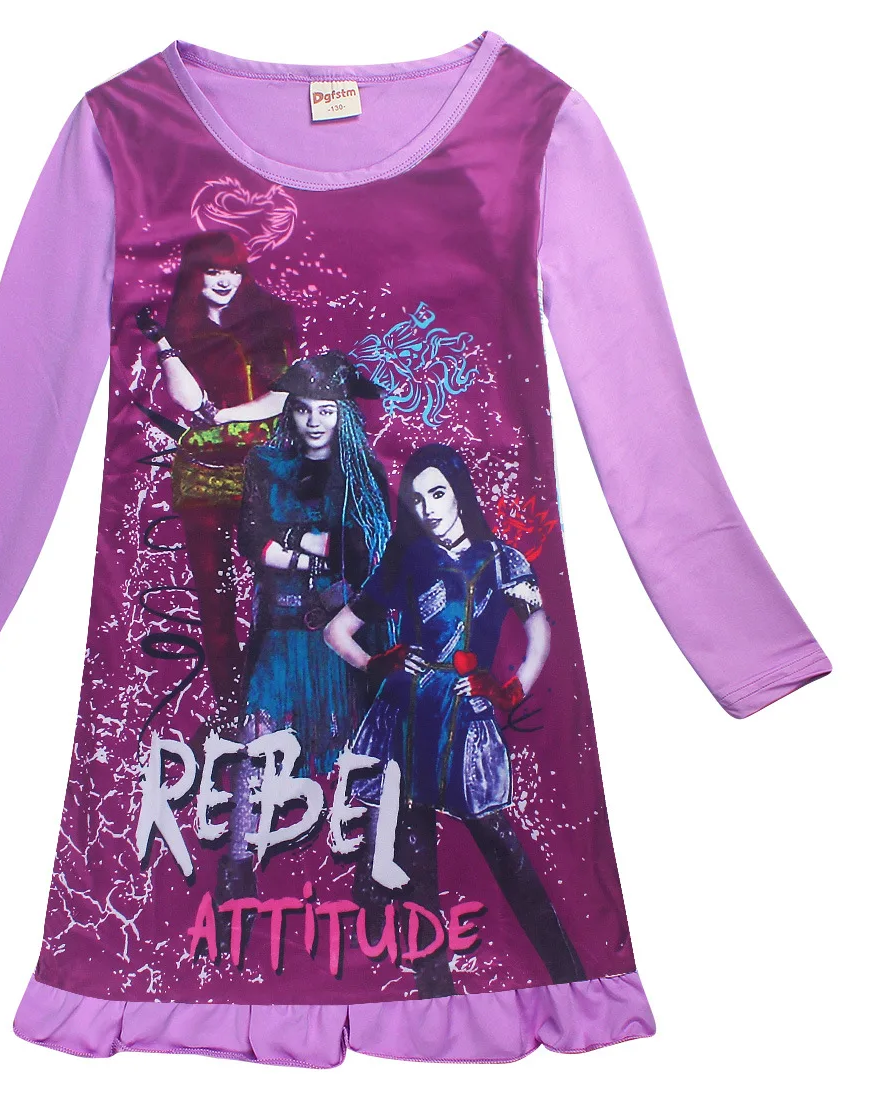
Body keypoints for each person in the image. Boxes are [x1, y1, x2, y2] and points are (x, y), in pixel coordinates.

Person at [323, 442, 586, 997]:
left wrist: (509, 689)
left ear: (459, 494)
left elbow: (540, 631)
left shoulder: (502, 561)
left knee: (502, 847)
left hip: (465, 715)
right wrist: (376, 662)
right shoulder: (407, 560)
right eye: (416, 500)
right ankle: (433, 995)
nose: (428, 509)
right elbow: (336, 631)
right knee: (416, 862)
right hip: (406, 716)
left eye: (437, 493)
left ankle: (571, 979)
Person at [215, 350, 392, 907]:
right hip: (281, 626)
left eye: (327, 410)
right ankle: (236, 868)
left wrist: (293, 543)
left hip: (344, 630)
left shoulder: (364, 473)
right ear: (289, 411)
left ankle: (373, 867)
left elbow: (364, 554)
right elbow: (252, 540)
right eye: (304, 409)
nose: (315, 421)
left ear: (343, 414)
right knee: (255, 739)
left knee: (366, 746)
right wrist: (307, 546)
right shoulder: (265, 464)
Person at [135, 231, 300, 728]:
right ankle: (230, 709)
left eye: (232, 270)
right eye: (213, 270)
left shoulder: (271, 320)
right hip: (202, 475)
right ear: (195, 275)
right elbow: (187, 401)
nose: (224, 280)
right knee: (215, 594)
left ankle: (276, 701)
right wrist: (165, 344)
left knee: (278, 585)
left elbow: (282, 397)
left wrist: (225, 415)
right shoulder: (179, 328)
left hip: (264, 470)